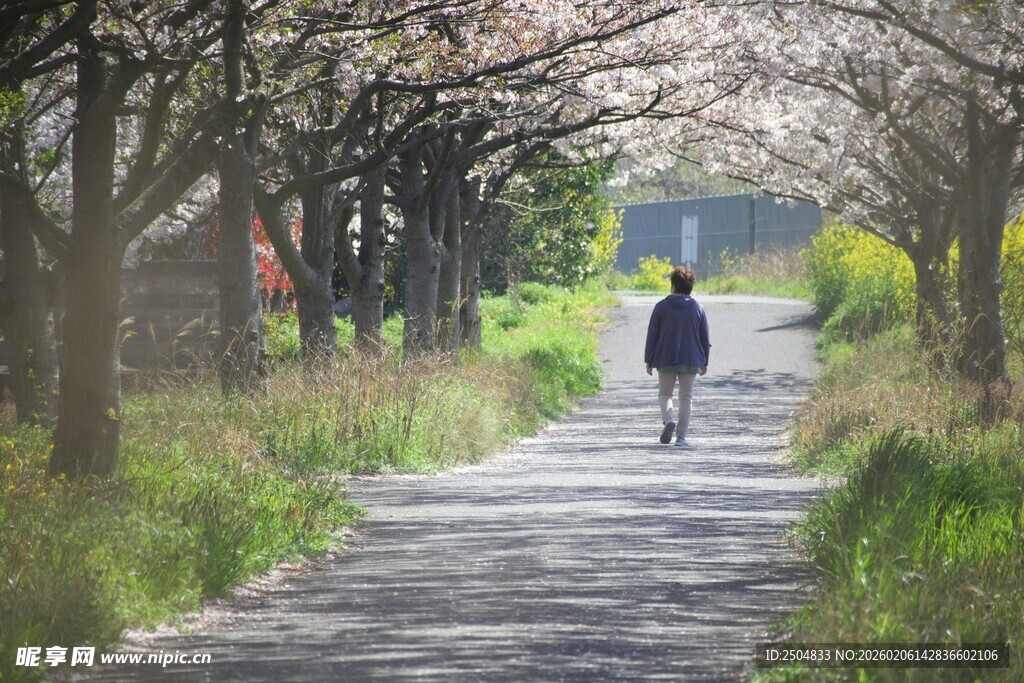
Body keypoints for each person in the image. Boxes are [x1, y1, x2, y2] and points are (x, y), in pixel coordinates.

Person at [644, 265, 710, 447]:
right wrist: (705, 360)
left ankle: (669, 420)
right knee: (686, 397)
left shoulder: (661, 307)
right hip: (691, 358)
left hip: (665, 357)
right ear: (691, 287)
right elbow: (704, 337)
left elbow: (652, 335)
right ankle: (681, 437)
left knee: (665, 394)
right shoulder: (698, 308)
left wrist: (649, 358)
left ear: (672, 285)